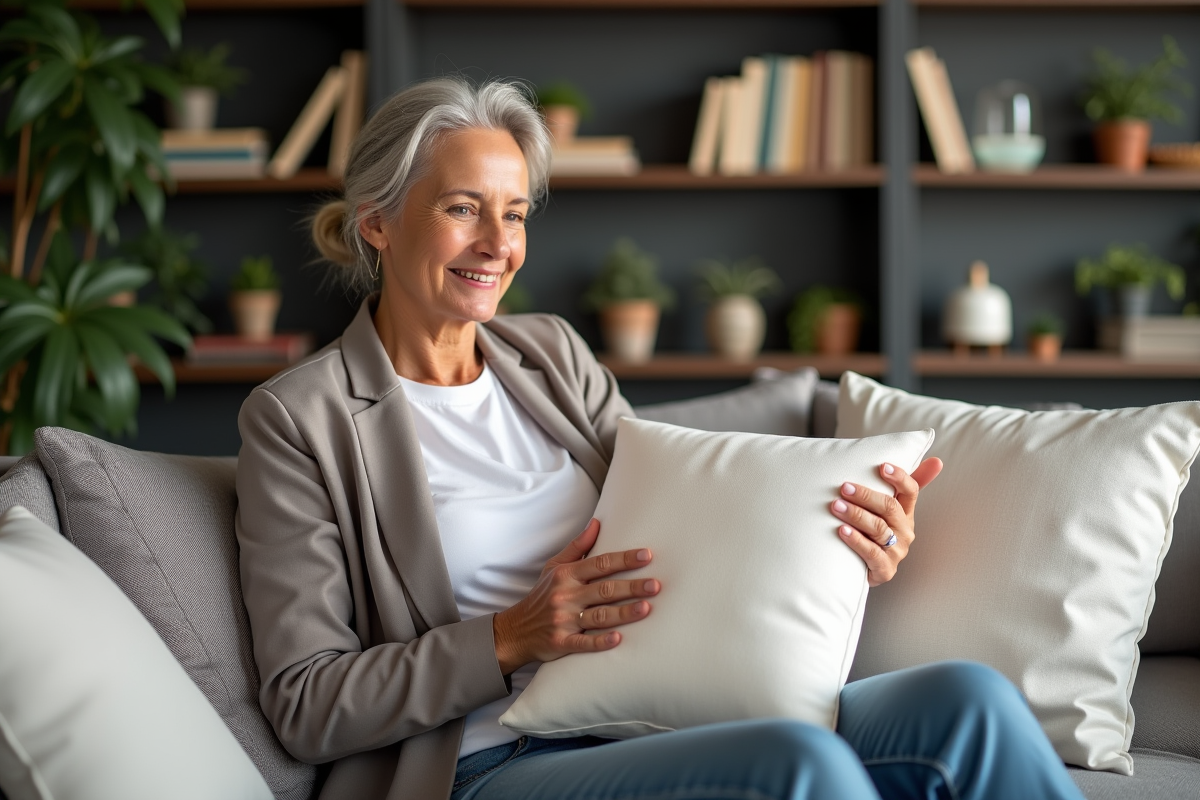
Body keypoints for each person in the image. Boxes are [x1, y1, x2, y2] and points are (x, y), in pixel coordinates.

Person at [234, 77, 1085, 800]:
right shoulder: (299, 421)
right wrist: (510, 638)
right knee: (800, 765)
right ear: (377, 222)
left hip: (659, 702)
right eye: (463, 210)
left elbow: (682, 515)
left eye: (516, 214)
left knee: (970, 702)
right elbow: (308, 703)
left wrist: (845, 538)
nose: (499, 246)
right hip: (490, 761)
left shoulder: (551, 354)